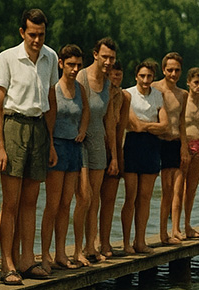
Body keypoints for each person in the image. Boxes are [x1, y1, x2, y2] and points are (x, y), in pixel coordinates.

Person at [0, 8, 59, 286]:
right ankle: (7, 263)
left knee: (31, 201)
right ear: (22, 32)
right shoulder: (7, 57)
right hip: (13, 125)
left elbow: (51, 102)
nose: (36, 40)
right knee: (11, 201)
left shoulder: (51, 57)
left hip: (39, 127)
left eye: (41, 34)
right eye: (32, 34)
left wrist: (51, 143)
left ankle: (27, 260)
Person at [38, 44, 88, 272]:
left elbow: (86, 110)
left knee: (67, 203)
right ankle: (45, 253)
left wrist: (83, 129)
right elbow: (47, 118)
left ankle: (61, 252)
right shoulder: (54, 89)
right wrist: (50, 146)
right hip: (56, 146)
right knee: (53, 203)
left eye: (78, 65)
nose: (74, 69)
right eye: (70, 65)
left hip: (74, 148)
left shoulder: (80, 89)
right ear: (61, 64)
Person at [71, 37, 118, 265]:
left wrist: (115, 155)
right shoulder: (82, 77)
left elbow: (110, 120)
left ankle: (91, 246)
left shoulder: (108, 84)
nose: (108, 61)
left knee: (95, 197)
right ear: (95, 54)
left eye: (112, 58)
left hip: (99, 140)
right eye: (105, 56)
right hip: (80, 140)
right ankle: (77, 249)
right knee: (83, 196)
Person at [120, 59, 167, 254]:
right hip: (132, 145)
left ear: (153, 77)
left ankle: (140, 241)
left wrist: (145, 126)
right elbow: (133, 126)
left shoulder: (158, 96)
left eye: (149, 76)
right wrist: (150, 126)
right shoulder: (128, 94)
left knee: (145, 197)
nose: (146, 80)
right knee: (131, 196)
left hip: (151, 147)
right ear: (136, 76)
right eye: (142, 76)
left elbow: (164, 126)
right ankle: (125, 243)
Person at [151, 52, 188, 245]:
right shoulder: (155, 87)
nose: (173, 73)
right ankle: (163, 233)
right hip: (158, 142)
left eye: (177, 70)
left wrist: (184, 147)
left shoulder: (183, 94)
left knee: (177, 190)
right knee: (164, 190)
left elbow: (182, 122)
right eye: (170, 70)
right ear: (164, 69)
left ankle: (175, 229)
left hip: (175, 142)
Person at [97, 61, 128, 256]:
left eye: (119, 74)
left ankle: (106, 242)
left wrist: (117, 158)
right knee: (90, 198)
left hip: (114, 148)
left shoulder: (124, 97)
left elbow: (120, 129)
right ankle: (91, 241)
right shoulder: (99, 91)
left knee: (109, 199)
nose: (115, 77)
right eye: (112, 74)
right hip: (96, 145)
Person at [180, 66, 199, 237]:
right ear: (189, 83)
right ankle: (176, 226)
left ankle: (187, 225)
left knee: (192, 189)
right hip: (184, 145)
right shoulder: (183, 99)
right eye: (196, 83)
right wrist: (183, 146)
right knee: (179, 188)